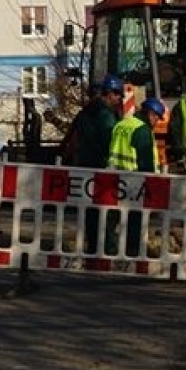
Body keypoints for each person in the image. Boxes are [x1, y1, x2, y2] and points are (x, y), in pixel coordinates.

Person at [65, 76, 123, 253]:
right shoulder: (105, 115)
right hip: (101, 167)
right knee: (108, 210)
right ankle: (106, 247)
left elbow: (73, 137)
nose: (120, 98)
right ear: (110, 94)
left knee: (90, 211)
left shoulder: (85, 113)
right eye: (118, 94)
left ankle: (92, 246)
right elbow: (109, 141)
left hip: (84, 165)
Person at [107, 96, 160, 256]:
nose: (157, 122)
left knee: (110, 217)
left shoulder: (121, 124)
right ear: (151, 114)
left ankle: (107, 247)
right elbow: (146, 162)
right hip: (134, 180)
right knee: (135, 220)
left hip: (113, 177)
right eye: (157, 118)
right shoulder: (143, 130)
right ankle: (132, 251)